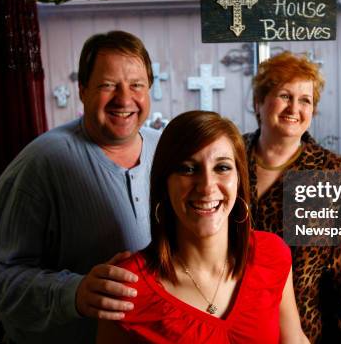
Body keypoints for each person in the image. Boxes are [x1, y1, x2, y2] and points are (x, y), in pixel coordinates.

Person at [0, 31, 161, 343]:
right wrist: (74, 294)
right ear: (82, 90)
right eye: (108, 85)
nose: (125, 99)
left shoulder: (170, 152)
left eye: (136, 85)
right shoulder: (40, 163)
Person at [96, 111, 309, 343]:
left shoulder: (271, 254)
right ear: (164, 183)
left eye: (222, 168)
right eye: (188, 169)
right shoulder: (126, 287)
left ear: (239, 179)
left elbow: (294, 338)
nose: (207, 186)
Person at [243, 52, 341, 343]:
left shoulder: (336, 174)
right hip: (231, 330)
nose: (294, 107)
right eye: (284, 95)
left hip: (306, 335)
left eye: (305, 100)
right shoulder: (227, 159)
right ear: (259, 102)